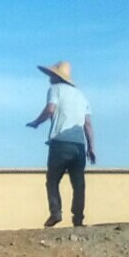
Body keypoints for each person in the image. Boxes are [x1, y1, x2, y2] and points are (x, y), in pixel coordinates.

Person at [27, 61, 96, 227]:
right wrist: (91, 147)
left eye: (51, 75)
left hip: (60, 143)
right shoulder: (82, 96)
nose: (49, 78)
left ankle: (55, 212)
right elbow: (87, 124)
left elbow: (50, 109)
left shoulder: (55, 89)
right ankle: (78, 218)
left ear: (57, 77)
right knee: (78, 184)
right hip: (79, 145)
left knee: (52, 180)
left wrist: (36, 122)